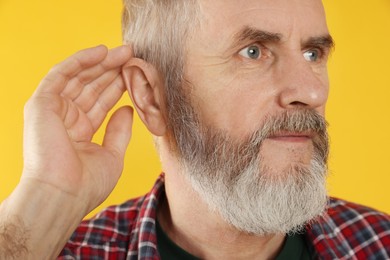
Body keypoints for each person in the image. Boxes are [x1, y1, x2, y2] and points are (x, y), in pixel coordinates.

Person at [0, 0, 389, 259]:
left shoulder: (379, 243)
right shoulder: (54, 251)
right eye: (253, 51)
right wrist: (45, 200)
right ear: (152, 96)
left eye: (313, 53)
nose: (311, 90)